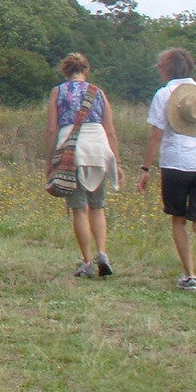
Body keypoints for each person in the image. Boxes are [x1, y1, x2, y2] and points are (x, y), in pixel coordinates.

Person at [137, 47, 196, 294]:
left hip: (177, 164)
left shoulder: (165, 95)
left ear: (166, 69)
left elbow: (156, 137)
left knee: (179, 220)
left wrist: (145, 168)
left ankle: (190, 276)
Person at [45, 53, 123, 279]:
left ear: (65, 71)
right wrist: (116, 161)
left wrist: (49, 161)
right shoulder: (98, 92)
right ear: (86, 70)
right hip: (98, 149)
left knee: (79, 208)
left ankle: (87, 261)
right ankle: (102, 253)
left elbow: (52, 129)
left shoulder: (58, 92)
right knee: (97, 206)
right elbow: (110, 130)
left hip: (72, 150)